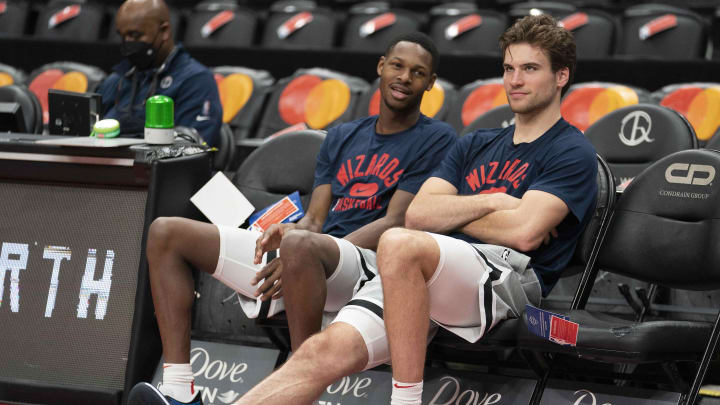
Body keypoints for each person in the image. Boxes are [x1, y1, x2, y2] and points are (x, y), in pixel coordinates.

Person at [131, 32, 456, 405]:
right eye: (397, 66)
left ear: (430, 84)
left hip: (371, 263)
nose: (404, 78)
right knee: (166, 232)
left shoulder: (437, 138)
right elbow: (314, 220)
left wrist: (308, 248)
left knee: (301, 245)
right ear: (381, 66)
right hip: (313, 257)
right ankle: (178, 391)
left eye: (417, 73)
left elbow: (396, 221)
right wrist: (292, 232)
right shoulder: (342, 137)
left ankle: (304, 397)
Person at [376, 14, 598, 404]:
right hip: (436, 266)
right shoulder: (474, 142)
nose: (514, 80)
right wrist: (495, 202)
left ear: (561, 76)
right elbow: (418, 214)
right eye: (509, 68)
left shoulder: (572, 150)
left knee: (398, 244)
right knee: (323, 354)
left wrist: (455, 214)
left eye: (530, 68)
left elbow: (524, 233)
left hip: (505, 281)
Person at [97, 0, 222, 146]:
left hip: (159, 167)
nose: (127, 43)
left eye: (135, 35)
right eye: (123, 36)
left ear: (164, 31)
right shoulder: (116, 80)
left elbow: (196, 147)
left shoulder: (197, 80)